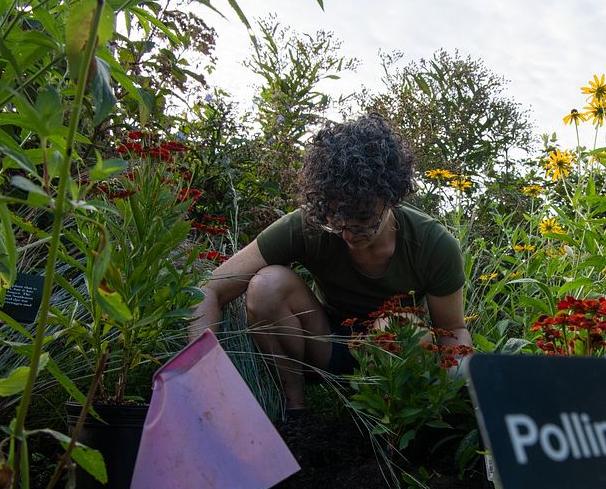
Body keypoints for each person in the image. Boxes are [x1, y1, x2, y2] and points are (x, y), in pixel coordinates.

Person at [190, 113, 472, 418]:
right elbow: (211, 290)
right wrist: (201, 372)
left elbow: (452, 329)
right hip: (324, 344)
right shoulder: (308, 224)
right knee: (267, 284)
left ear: (390, 198)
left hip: (394, 356)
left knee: (400, 326)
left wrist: (451, 386)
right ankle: (294, 412)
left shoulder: (432, 243)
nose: (348, 232)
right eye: (336, 217)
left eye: (363, 218)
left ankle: (391, 425)